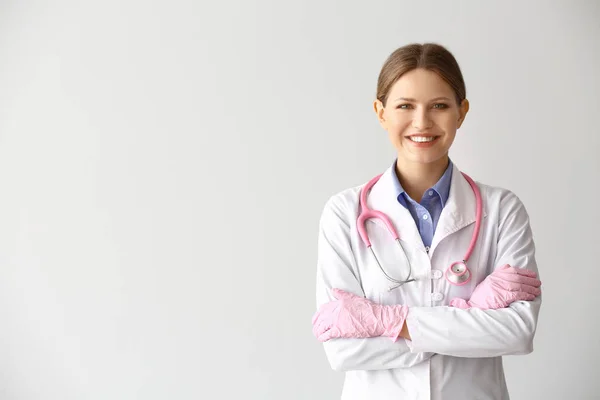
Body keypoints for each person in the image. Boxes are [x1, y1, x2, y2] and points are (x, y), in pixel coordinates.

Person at [311, 43, 542, 400]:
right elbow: (343, 350)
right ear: (381, 112)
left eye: (439, 106)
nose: (422, 122)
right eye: (405, 106)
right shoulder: (344, 213)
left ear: (461, 112)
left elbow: (517, 332)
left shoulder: (502, 210)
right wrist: (469, 319)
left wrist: (390, 322)